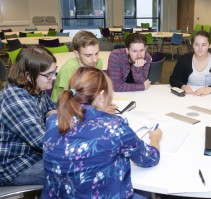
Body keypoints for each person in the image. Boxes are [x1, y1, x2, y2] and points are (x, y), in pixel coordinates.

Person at [42, 67, 162, 198]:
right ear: (101, 96)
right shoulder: (114, 126)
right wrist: (155, 138)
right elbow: (150, 158)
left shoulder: (53, 121)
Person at [0, 46, 57, 185]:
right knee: (77, 170)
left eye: (55, 72)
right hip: (15, 167)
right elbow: (44, 142)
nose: (53, 78)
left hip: (33, 155)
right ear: (28, 76)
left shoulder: (35, 87)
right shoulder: (17, 100)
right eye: (48, 74)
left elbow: (52, 110)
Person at [51, 30, 103, 103]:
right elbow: (66, 102)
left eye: (97, 53)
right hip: (62, 107)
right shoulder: (68, 69)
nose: (95, 60)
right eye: (88, 55)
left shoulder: (98, 63)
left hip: (86, 103)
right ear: (77, 54)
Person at [169, 30, 211, 96]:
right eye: (196, 44)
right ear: (192, 45)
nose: (200, 48)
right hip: (189, 95)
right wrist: (183, 86)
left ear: (209, 45)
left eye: (204, 45)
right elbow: (173, 79)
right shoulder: (184, 59)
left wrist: (210, 89)